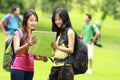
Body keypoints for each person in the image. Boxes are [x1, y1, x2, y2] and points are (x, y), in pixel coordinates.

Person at [11, 10, 48, 80]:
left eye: (35, 20)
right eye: (31, 20)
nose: (34, 23)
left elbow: (35, 57)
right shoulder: (18, 33)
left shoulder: (36, 35)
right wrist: (27, 45)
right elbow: (16, 51)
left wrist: (44, 56)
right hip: (18, 68)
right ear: (25, 20)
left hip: (30, 69)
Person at [49, 8, 75, 80]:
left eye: (59, 19)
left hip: (65, 68)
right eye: (55, 20)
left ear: (65, 18)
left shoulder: (70, 32)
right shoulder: (58, 33)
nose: (57, 22)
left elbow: (71, 50)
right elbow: (54, 53)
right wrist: (44, 51)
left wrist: (58, 47)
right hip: (55, 66)